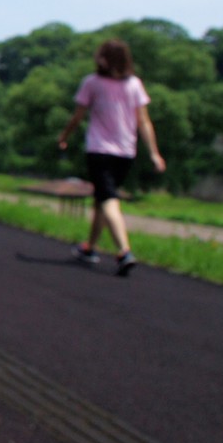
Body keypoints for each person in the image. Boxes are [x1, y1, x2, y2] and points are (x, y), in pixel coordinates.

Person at [57, 39, 166, 276]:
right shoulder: (134, 85)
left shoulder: (92, 83)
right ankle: (90, 247)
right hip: (126, 152)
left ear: (105, 59)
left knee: (108, 199)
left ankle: (124, 251)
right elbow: (144, 122)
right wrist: (154, 153)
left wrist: (64, 136)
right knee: (101, 198)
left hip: (99, 150)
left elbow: (77, 117)